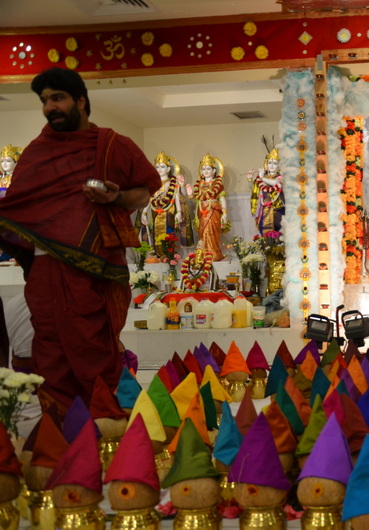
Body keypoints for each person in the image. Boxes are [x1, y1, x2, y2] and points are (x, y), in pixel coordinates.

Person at [0, 67, 160, 414]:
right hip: (45, 270)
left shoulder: (113, 145)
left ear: (81, 101)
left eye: (57, 98)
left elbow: (143, 193)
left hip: (93, 270)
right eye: (45, 101)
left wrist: (116, 197)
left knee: (93, 346)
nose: (49, 108)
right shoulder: (36, 153)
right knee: (50, 350)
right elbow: (16, 208)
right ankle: (59, 432)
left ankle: (105, 426)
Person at [138, 151, 194, 255]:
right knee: (155, 234)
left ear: (168, 169)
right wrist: (144, 212)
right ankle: (158, 255)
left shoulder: (172, 182)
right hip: (155, 212)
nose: (159, 169)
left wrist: (179, 212)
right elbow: (150, 198)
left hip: (169, 212)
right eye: (157, 167)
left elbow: (177, 197)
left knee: (168, 235)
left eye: (162, 167)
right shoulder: (153, 183)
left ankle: (168, 256)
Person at [192, 153, 229, 261]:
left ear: (214, 171)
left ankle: (214, 254)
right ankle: (203, 254)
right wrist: (190, 194)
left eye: (208, 168)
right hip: (202, 212)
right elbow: (197, 198)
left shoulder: (218, 184)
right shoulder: (199, 185)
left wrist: (225, 213)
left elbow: (222, 198)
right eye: (203, 169)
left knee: (212, 232)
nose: (206, 171)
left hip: (213, 211)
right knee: (203, 233)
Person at [248, 147, 285, 236]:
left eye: (275, 163)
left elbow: (274, 183)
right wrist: (250, 179)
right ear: (266, 164)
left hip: (278, 210)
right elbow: (253, 188)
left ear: (279, 166)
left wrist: (262, 178)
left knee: (279, 235)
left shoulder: (280, 177)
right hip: (265, 210)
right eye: (269, 163)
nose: (271, 166)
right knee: (266, 236)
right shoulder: (262, 178)